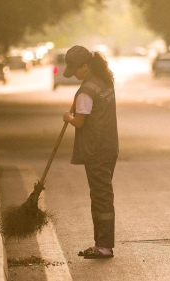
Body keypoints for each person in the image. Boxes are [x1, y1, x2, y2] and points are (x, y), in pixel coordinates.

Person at [62, 45, 119, 258]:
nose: (75, 73)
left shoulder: (87, 90)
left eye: (76, 69)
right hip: (110, 145)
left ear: (86, 66)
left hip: (96, 149)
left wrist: (68, 118)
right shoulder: (104, 80)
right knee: (102, 194)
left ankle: (103, 246)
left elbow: (78, 121)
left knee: (101, 196)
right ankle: (101, 244)